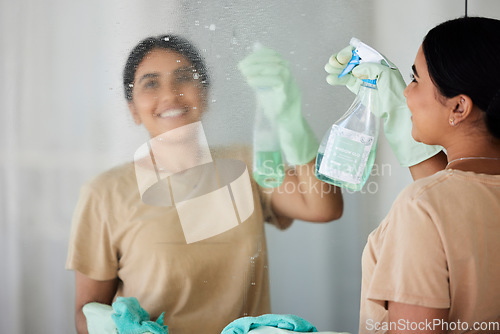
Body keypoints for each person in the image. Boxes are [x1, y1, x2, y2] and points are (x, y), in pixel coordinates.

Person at [66, 34, 343, 334]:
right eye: (150, 83)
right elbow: (87, 313)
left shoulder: (246, 164)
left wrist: (291, 121)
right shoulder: (103, 194)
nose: (170, 94)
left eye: (184, 78)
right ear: (133, 109)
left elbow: (324, 206)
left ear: (205, 93)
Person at [327, 16, 500, 333]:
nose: (406, 93)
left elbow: (441, 208)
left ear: (459, 108)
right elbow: (458, 205)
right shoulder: (438, 204)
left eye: (415, 79)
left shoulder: (421, 208)